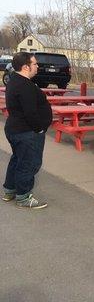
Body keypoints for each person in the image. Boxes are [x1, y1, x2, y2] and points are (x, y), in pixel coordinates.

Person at [3, 52, 52, 209]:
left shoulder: (14, 81)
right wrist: (39, 129)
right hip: (26, 132)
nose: (37, 66)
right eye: (35, 64)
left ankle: (10, 190)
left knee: (17, 159)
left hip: (15, 129)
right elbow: (30, 112)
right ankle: (23, 196)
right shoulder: (25, 86)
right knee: (29, 163)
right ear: (25, 67)